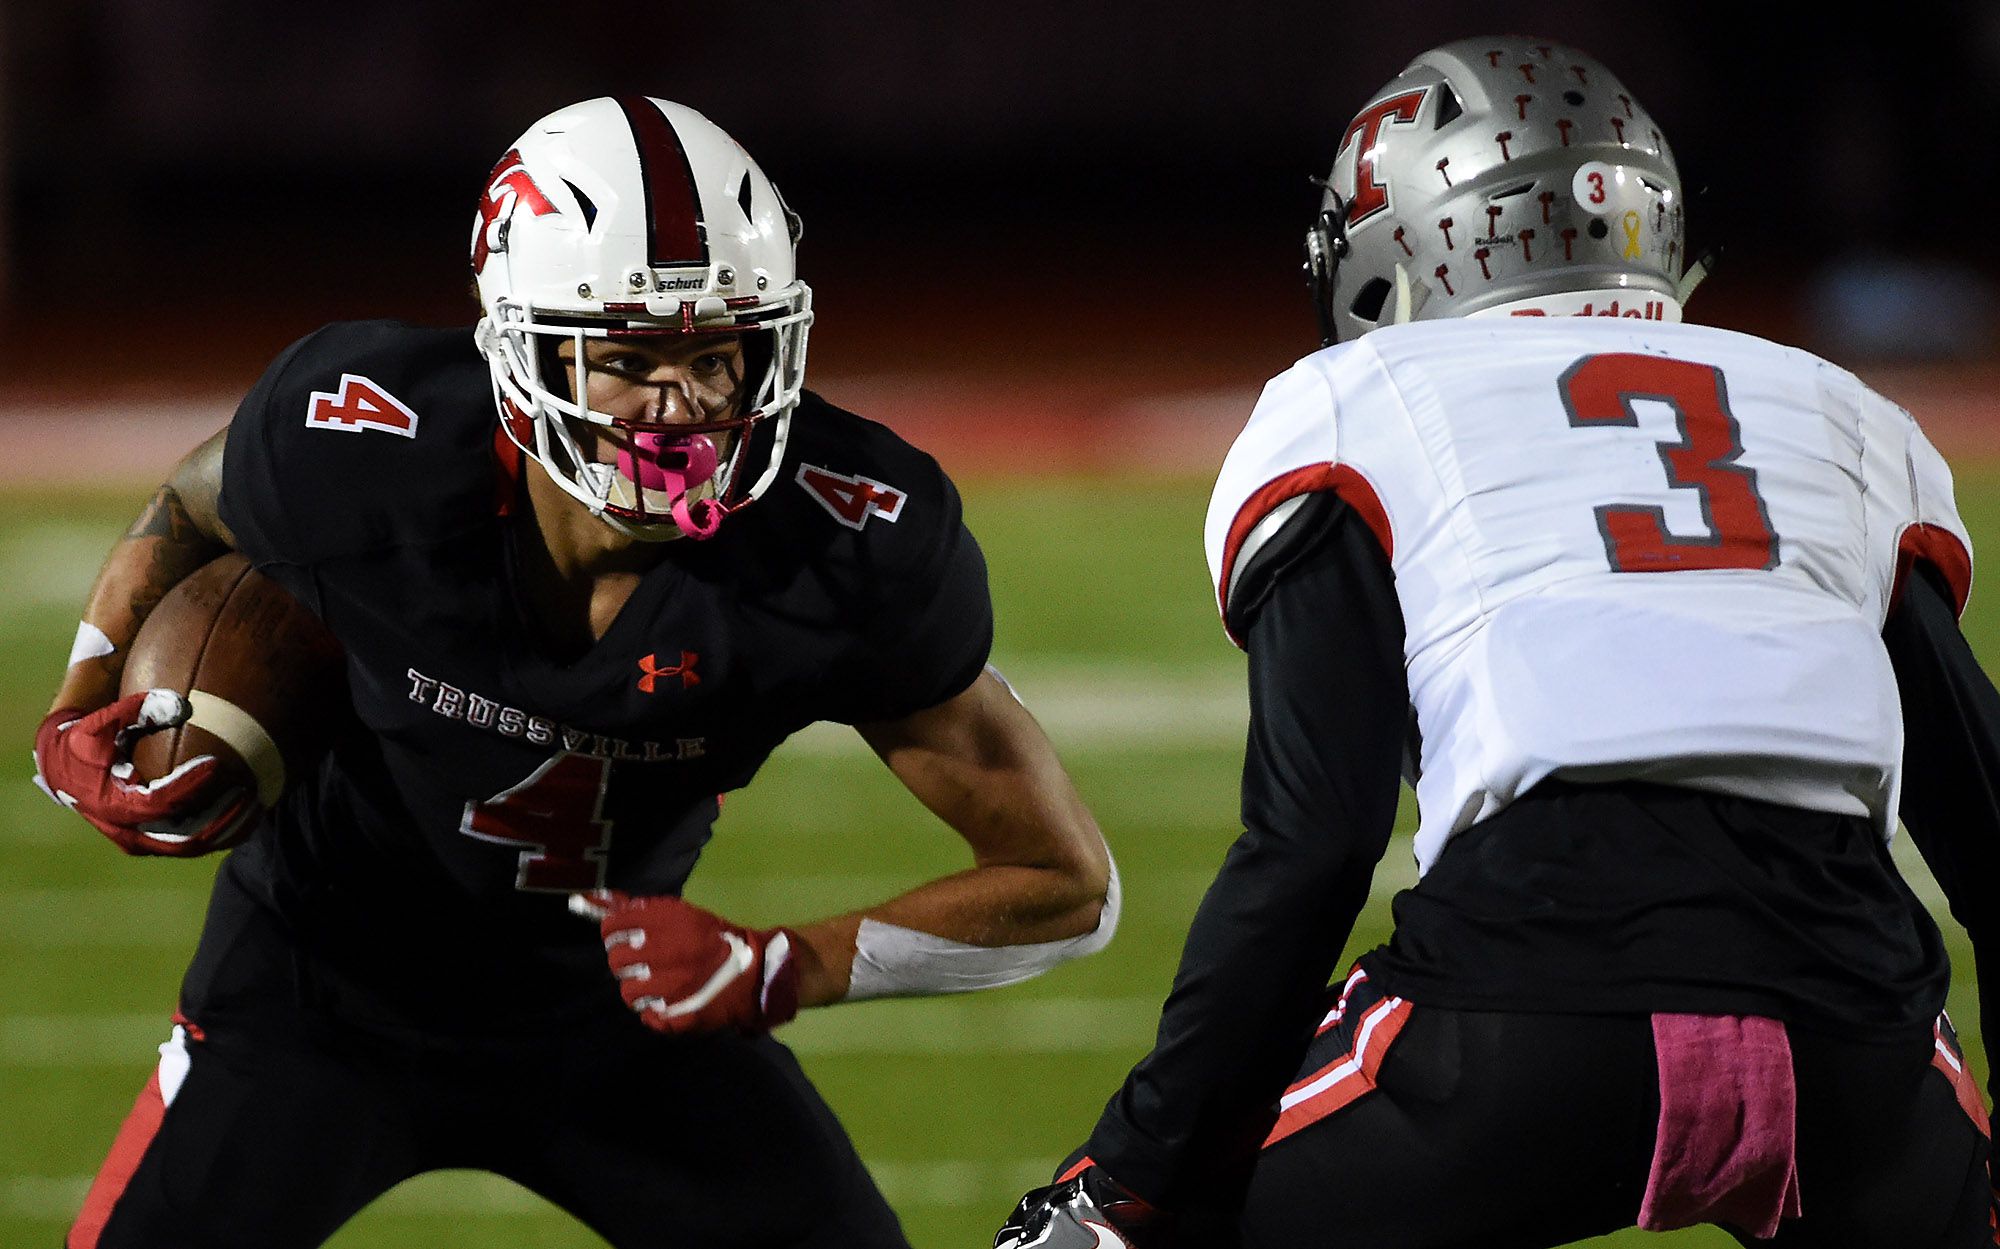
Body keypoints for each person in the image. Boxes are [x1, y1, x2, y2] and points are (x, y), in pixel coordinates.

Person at [33, 96, 1117, 1249]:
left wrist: (785, 964)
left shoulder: (850, 535)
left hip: (616, 1006)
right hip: (317, 988)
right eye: (630, 359)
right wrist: (81, 702)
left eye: (717, 353)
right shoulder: (363, 438)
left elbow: (1066, 882)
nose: (684, 407)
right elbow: (194, 504)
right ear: (516, 347)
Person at [996, 35, 1998, 1249]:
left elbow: (1313, 845)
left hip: (1532, 1008)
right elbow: (1986, 837)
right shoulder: (1841, 410)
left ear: (1401, 245)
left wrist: (1128, 1179)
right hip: (1853, 1040)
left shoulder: (1354, 400)